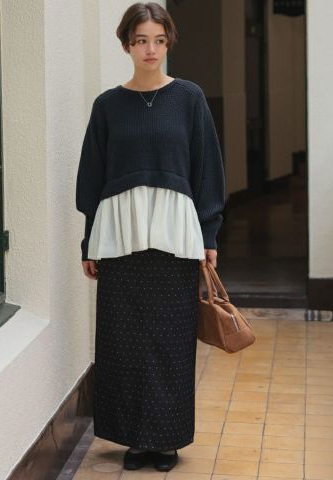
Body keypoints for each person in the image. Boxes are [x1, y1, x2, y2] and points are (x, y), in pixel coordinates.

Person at [75, 1, 226, 473]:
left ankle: (166, 439)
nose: (151, 50)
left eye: (159, 41)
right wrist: (89, 241)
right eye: (141, 40)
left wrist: (209, 234)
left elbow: (208, 169)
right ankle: (135, 439)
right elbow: (92, 178)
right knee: (123, 342)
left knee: (170, 342)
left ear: (168, 43)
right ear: (126, 45)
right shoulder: (107, 106)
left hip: (175, 237)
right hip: (119, 238)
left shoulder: (189, 98)